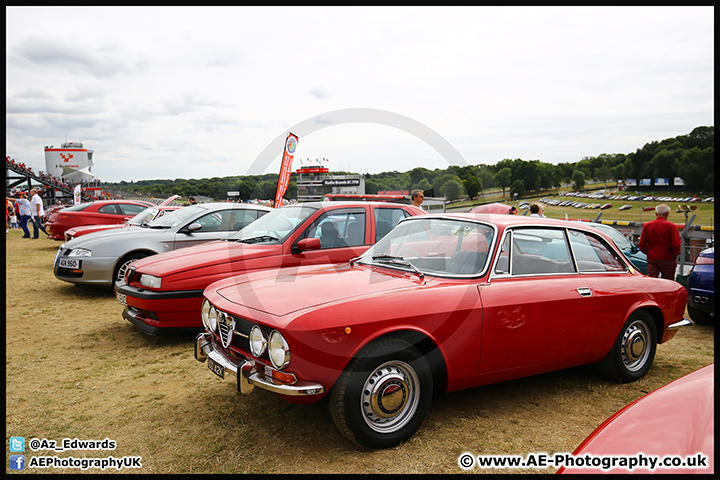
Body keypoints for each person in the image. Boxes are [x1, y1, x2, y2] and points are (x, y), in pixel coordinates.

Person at [638, 204, 681, 280]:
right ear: (667, 214)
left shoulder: (648, 226)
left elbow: (641, 244)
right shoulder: (671, 226)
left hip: (652, 258)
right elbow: (676, 244)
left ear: (656, 214)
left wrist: (649, 253)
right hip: (668, 258)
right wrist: (674, 254)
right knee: (668, 281)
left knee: (652, 280)